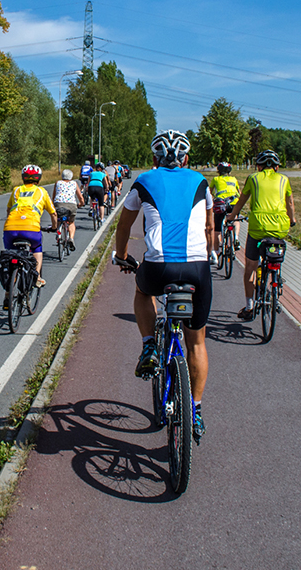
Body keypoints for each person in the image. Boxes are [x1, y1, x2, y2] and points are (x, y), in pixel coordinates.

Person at [112, 130, 213, 442]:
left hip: (158, 266)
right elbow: (209, 224)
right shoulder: (200, 181)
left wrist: (122, 256)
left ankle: (148, 345)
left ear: (155, 158)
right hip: (197, 268)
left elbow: (124, 225)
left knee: (143, 291)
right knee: (196, 343)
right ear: (185, 159)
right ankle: (194, 411)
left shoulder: (144, 180)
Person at [226, 149, 296, 321]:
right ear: (277, 167)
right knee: (274, 256)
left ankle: (249, 307)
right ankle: (275, 278)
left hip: (257, 228)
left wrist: (231, 217)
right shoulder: (284, 180)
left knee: (250, 266)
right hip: (280, 227)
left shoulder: (253, 179)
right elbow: (290, 202)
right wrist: (292, 220)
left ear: (259, 166)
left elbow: (241, 201)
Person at [3, 164, 58, 290]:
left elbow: (8, 210)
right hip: (31, 230)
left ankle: (8, 294)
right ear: (38, 179)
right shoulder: (41, 192)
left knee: (11, 256)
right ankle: (37, 277)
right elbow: (53, 213)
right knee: (37, 248)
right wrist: (54, 227)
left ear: (23, 178)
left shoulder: (16, 190)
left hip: (10, 229)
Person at [208, 161, 241, 265]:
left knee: (217, 228)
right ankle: (235, 238)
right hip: (233, 203)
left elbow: (209, 192)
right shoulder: (234, 179)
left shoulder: (216, 179)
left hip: (221, 204)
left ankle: (216, 253)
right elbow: (239, 192)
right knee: (235, 218)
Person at [52, 169, 84, 250]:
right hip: (71, 205)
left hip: (59, 204)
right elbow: (80, 196)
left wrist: (53, 204)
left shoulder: (58, 182)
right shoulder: (74, 183)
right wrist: (81, 203)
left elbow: (54, 195)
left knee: (59, 218)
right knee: (71, 223)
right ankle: (71, 238)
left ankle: (58, 232)